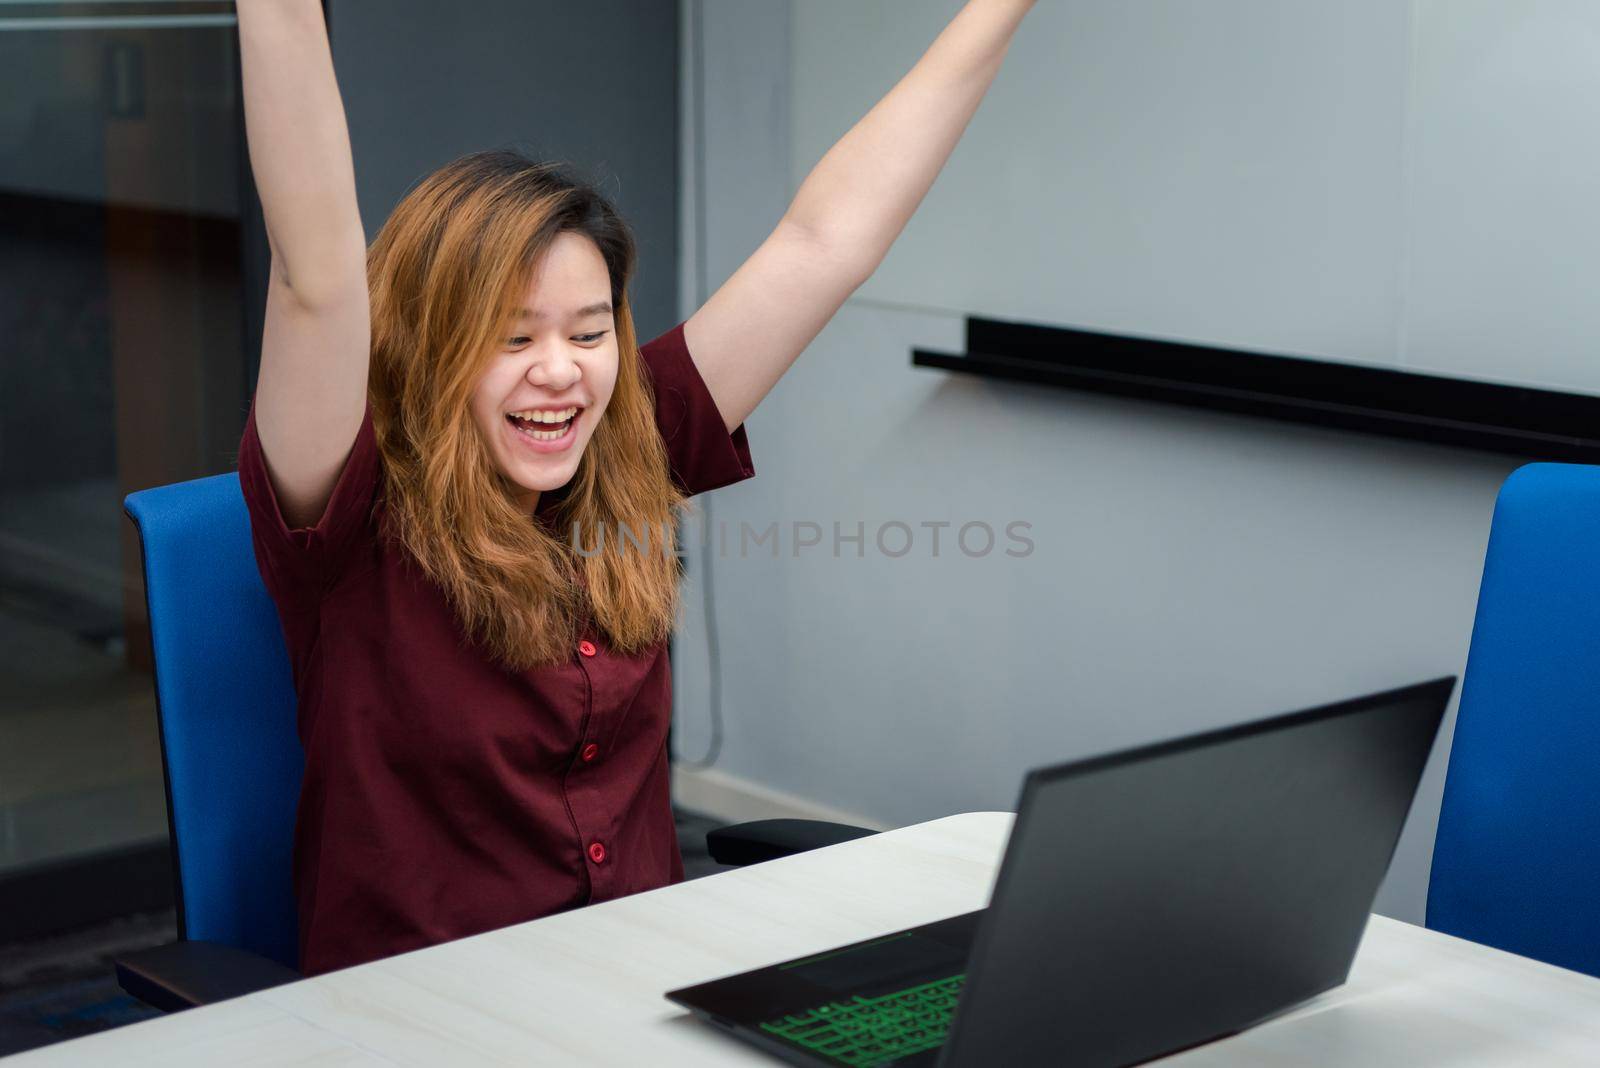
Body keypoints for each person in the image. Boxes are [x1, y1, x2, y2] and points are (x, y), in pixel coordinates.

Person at [236, 0, 1036, 976]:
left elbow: (824, 241)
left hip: (639, 986)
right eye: (513, 336)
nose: (562, 372)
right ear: (427, 343)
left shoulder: (630, 442)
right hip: (426, 1018)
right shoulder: (351, 510)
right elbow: (314, 274)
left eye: (587, 330)